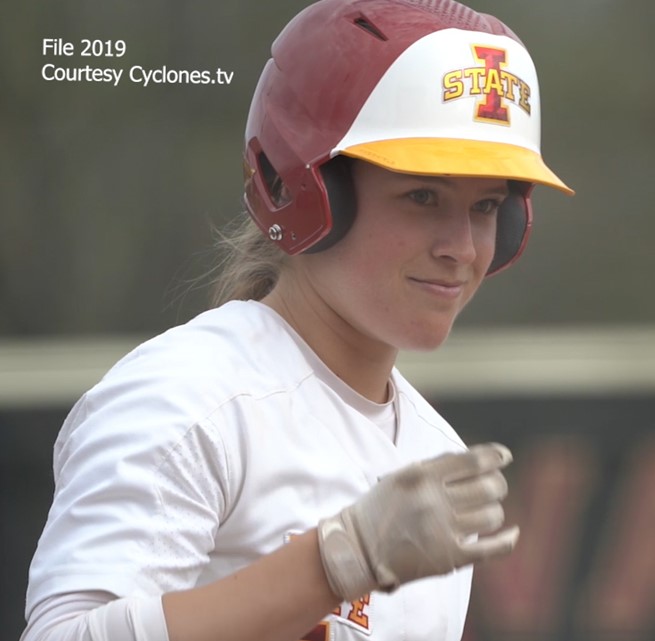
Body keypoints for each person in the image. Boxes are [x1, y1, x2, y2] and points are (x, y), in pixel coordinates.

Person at [20, 0, 573, 638]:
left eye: (486, 207)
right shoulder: (188, 399)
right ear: (304, 189)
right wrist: (334, 563)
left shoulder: (434, 453)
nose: (462, 247)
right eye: (423, 195)